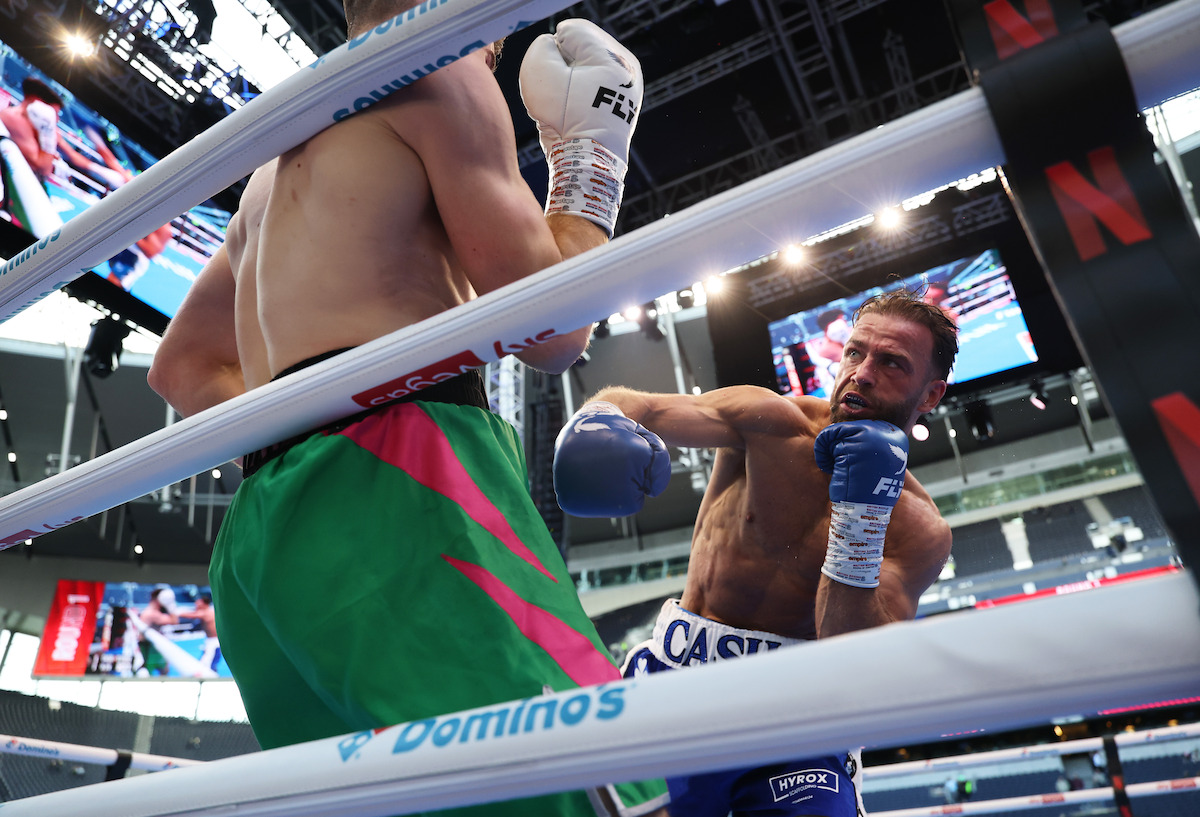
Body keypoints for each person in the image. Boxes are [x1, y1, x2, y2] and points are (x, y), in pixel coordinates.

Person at [148, 7, 666, 816]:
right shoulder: (442, 68)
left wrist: (309, 417)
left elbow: (181, 370)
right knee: (593, 777)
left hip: (262, 539)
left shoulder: (271, 165)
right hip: (404, 479)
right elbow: (557, 330)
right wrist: (589, 163)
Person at [554, 290, 958, 817]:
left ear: (930, 395)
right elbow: (643, 406)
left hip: (795, 722)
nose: (861, 373)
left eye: (891, 363)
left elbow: (851, 652)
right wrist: (597, 420)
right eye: (855, 353)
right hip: (673, 687)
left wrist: (861, 518)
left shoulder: (919, 528)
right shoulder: (771, 421)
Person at [136, 587, 179, 676]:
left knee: (162, 669)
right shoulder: (152, 613)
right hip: (150, 648)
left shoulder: (150, 611)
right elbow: (174, 621)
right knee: (158, 670)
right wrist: (170, 605)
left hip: (149, 647)